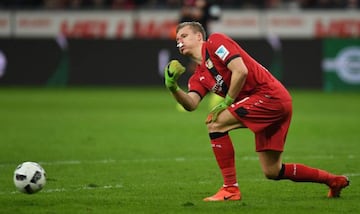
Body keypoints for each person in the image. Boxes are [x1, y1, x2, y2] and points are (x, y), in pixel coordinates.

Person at [164, 21, 350, 201]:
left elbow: (240, 71)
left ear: (198, 36)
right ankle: (333, 180)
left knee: (215, 124)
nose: (179, 41)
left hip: (270, 96)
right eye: (177, 38)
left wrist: (228, 101)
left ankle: (230, 189)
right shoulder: (199, 76)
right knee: (272, 171)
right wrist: (173, 87)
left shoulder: (215, 42)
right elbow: (191, 104)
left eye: (184, 35)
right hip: (267, 103)